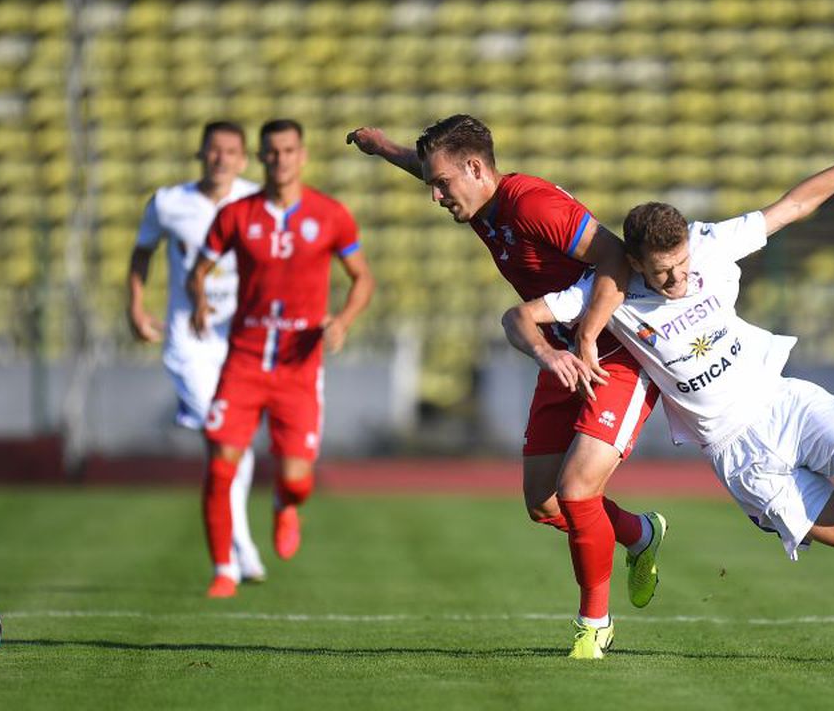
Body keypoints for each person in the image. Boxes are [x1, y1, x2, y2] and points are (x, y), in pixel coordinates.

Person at [503, 118, 834, 664]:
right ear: (634, 262)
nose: (677, 279)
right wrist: (551, 352)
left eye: (682, 263)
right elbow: (517, 316)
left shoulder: (709, 245)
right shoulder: (607, 292)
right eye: (663, 272)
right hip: (741, 456)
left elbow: (795, 205)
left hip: (785, 404)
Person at [348, 116, 665, 659]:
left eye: (442, 184)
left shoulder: (530, 203)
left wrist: (585, 336)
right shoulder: (479, 203)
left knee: (577, 489)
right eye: (432, 183)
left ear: (476, 169)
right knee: (543, 503)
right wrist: (384, 149)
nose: (436, 195)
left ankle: (594, 624)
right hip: (562, 351)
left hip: (611, 349)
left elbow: (615, 257)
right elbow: (431, 168)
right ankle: (638, 534)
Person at [189, 119, 374, 598]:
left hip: (299, 366)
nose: (280, 159)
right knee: (219, 465)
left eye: (288, 150)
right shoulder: (236, 215)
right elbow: (200, 267)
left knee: (298, 481)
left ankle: (283, 503)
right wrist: (199, 298)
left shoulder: (330, 214)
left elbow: (363, 279)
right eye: (271, 152)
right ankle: (223, 570)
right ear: (260, 158)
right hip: (245, 360)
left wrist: (343, 321)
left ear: (302, 154)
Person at [128, 120, 265, 584]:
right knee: (227, 438)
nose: (221, 158)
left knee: (235, 446)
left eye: (230, 151)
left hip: (241, 339)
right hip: (190, 341)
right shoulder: (169, 203)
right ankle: (239, 549)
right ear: (200, 153)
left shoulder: (256, 202)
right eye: (213, 150)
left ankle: (236, 544)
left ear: (243, 159)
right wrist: (136, 306)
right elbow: (142, 252)